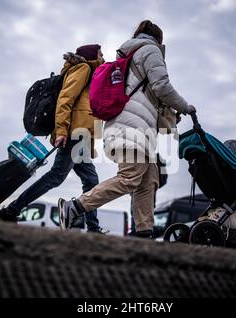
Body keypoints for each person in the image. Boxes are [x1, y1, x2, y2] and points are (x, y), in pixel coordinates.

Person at [58, 20, 196, 238]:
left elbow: (149, 99)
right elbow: (162, 86)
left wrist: (170, 117)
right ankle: (75, 206)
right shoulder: (150, 50)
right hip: (132, 129)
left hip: (136, 129)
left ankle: (144, 232)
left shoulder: (129, 56)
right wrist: (186, 106)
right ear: (158, 38)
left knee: (149, 180)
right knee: (130, 177)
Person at [0, 44, 107, 233]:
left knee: (90, 180)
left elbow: (85, 109)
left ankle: (93, 228)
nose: (103, 56)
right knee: (56, 176)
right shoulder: (84, 68)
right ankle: (10, 211)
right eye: (100, 54)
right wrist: (62, 131)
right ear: (91, 56)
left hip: (81, 137)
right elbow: (66, 98)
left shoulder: (90, 73)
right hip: (73, 134)